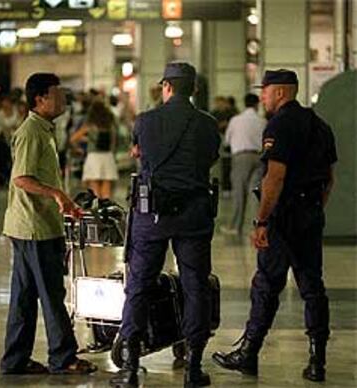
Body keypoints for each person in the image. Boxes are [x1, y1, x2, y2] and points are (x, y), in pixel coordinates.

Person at [212, 69, 337, 382]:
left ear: (280, 92)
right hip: (310, 212)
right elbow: (329, 178)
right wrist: (313, 210)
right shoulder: (319, 125)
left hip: (284, 216)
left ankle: (248, 353)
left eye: (265, 91)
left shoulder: (280, 124)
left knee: (266, 285)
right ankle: (317, 360)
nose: (263, 96)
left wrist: (263, 220)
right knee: (312, 287)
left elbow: (275, 177)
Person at [109, 62, 220, 388]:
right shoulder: (208, 124)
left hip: (152, 214)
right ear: (194, 90)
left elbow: (140, 154)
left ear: (166, 87)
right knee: (195, 286)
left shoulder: (145, 120)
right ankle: (193, 367)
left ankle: (129, 369)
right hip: (194, 216)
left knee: (139, 286)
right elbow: (210, 158)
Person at [0, 73, 97, 375]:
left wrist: (64, 202)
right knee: (52, 294)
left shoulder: (44, 130)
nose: (64, 99)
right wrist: (56, 194)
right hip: (35, 228)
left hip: (30, 226)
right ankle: (63, 357)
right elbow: (22, 178)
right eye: (58, 94)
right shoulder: (32, 132)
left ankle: (15, 361)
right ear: (40, 99)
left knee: (24, 298)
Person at [221, 93, 266, 235]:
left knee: (239, 193)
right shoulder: (263, 121)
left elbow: (227, 141)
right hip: (259, 157)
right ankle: (258, 227)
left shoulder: (236, 120)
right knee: (255, 194)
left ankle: (235, 227)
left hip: (241, 157)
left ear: (244, 103)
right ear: (256, 104)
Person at [70, 100, 119, 199]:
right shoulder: (110, 125)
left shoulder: (90, 125)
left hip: (93, 157)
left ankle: (98, 210)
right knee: (106, 188)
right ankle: (106, 211)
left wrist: (80, 147)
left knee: (95, 188)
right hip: (108, 157)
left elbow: (73, 139)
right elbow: (114, 142)